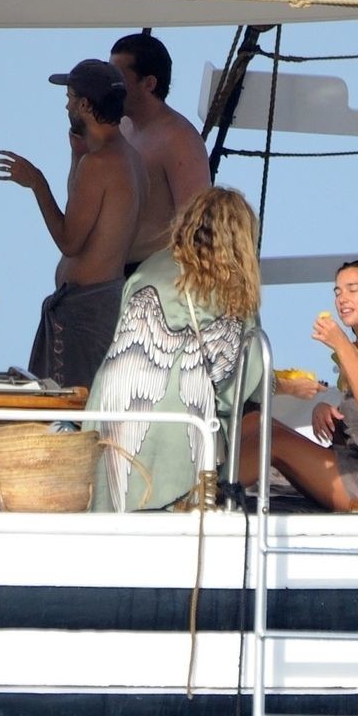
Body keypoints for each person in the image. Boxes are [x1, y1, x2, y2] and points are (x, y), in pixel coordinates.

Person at [87, 187, 262, 512]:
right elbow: (235, 386)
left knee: (111, 513)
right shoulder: (233, 288)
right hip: (180, 425)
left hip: (112, 408)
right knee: (171, 524)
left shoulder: (149, 268)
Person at [0, 58, 146, 389]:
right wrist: (77, 155)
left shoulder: (100, 163)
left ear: (85, 105)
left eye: (70, 98)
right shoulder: (129, 157)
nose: (66, 105)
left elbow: (70, 241)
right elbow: (83, 212)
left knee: (67, 409)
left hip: (85, 311)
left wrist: (37, 183)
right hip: (103, 302)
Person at [239, 261, 358, 511]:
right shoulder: (353, 352)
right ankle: (212, 485)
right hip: (354, 464)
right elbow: (356, 436)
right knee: (254, 421)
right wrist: (331, 417)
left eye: (353, 289)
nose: (342, 299)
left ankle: (214, 494)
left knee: (275, 441)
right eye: (338, 291)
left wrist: (341, 344)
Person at [110, 33, 211, 273]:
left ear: (149, 83)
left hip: (152, 276)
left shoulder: (179, 140)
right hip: (110, 273)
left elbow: (195, 226)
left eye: (118, 78)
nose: (111, 85)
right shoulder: (120, 127)